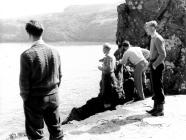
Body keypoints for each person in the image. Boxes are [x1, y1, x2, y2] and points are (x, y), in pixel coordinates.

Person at [19, 20, 63, 140]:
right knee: (57, 131)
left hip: (35, 99)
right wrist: (54, 91)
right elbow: (60, 75)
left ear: (29, 34)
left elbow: (24, 83)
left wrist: (25, 98)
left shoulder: (26, 55)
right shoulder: (55, 51)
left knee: (36, 135)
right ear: (42, 32)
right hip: (54, 96)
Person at [144, 20, 166, 116]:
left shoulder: (157, 38)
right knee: (155, 87)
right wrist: (150, 63)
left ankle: (160, 110)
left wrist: (154, 64)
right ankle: (155, 108)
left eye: (147, 28)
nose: (146, 30)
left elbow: (163, 55)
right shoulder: (153, 38)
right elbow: (153, 53)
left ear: (152, 28)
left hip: (157, 65)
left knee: (158, 87)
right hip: (154, 64)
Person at [98, 43, 117, 109]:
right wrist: (103, 60)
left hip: (107, 75)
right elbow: (112, 65)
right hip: (112, 74)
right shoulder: (112, 56)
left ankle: (107, 106)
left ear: (106, 49)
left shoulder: (108, 57)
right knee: (110, 89)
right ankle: (111, 104)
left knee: (106, 90)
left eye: (103, 48)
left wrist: (101, 68)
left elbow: (108, 68)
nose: (102, 50)